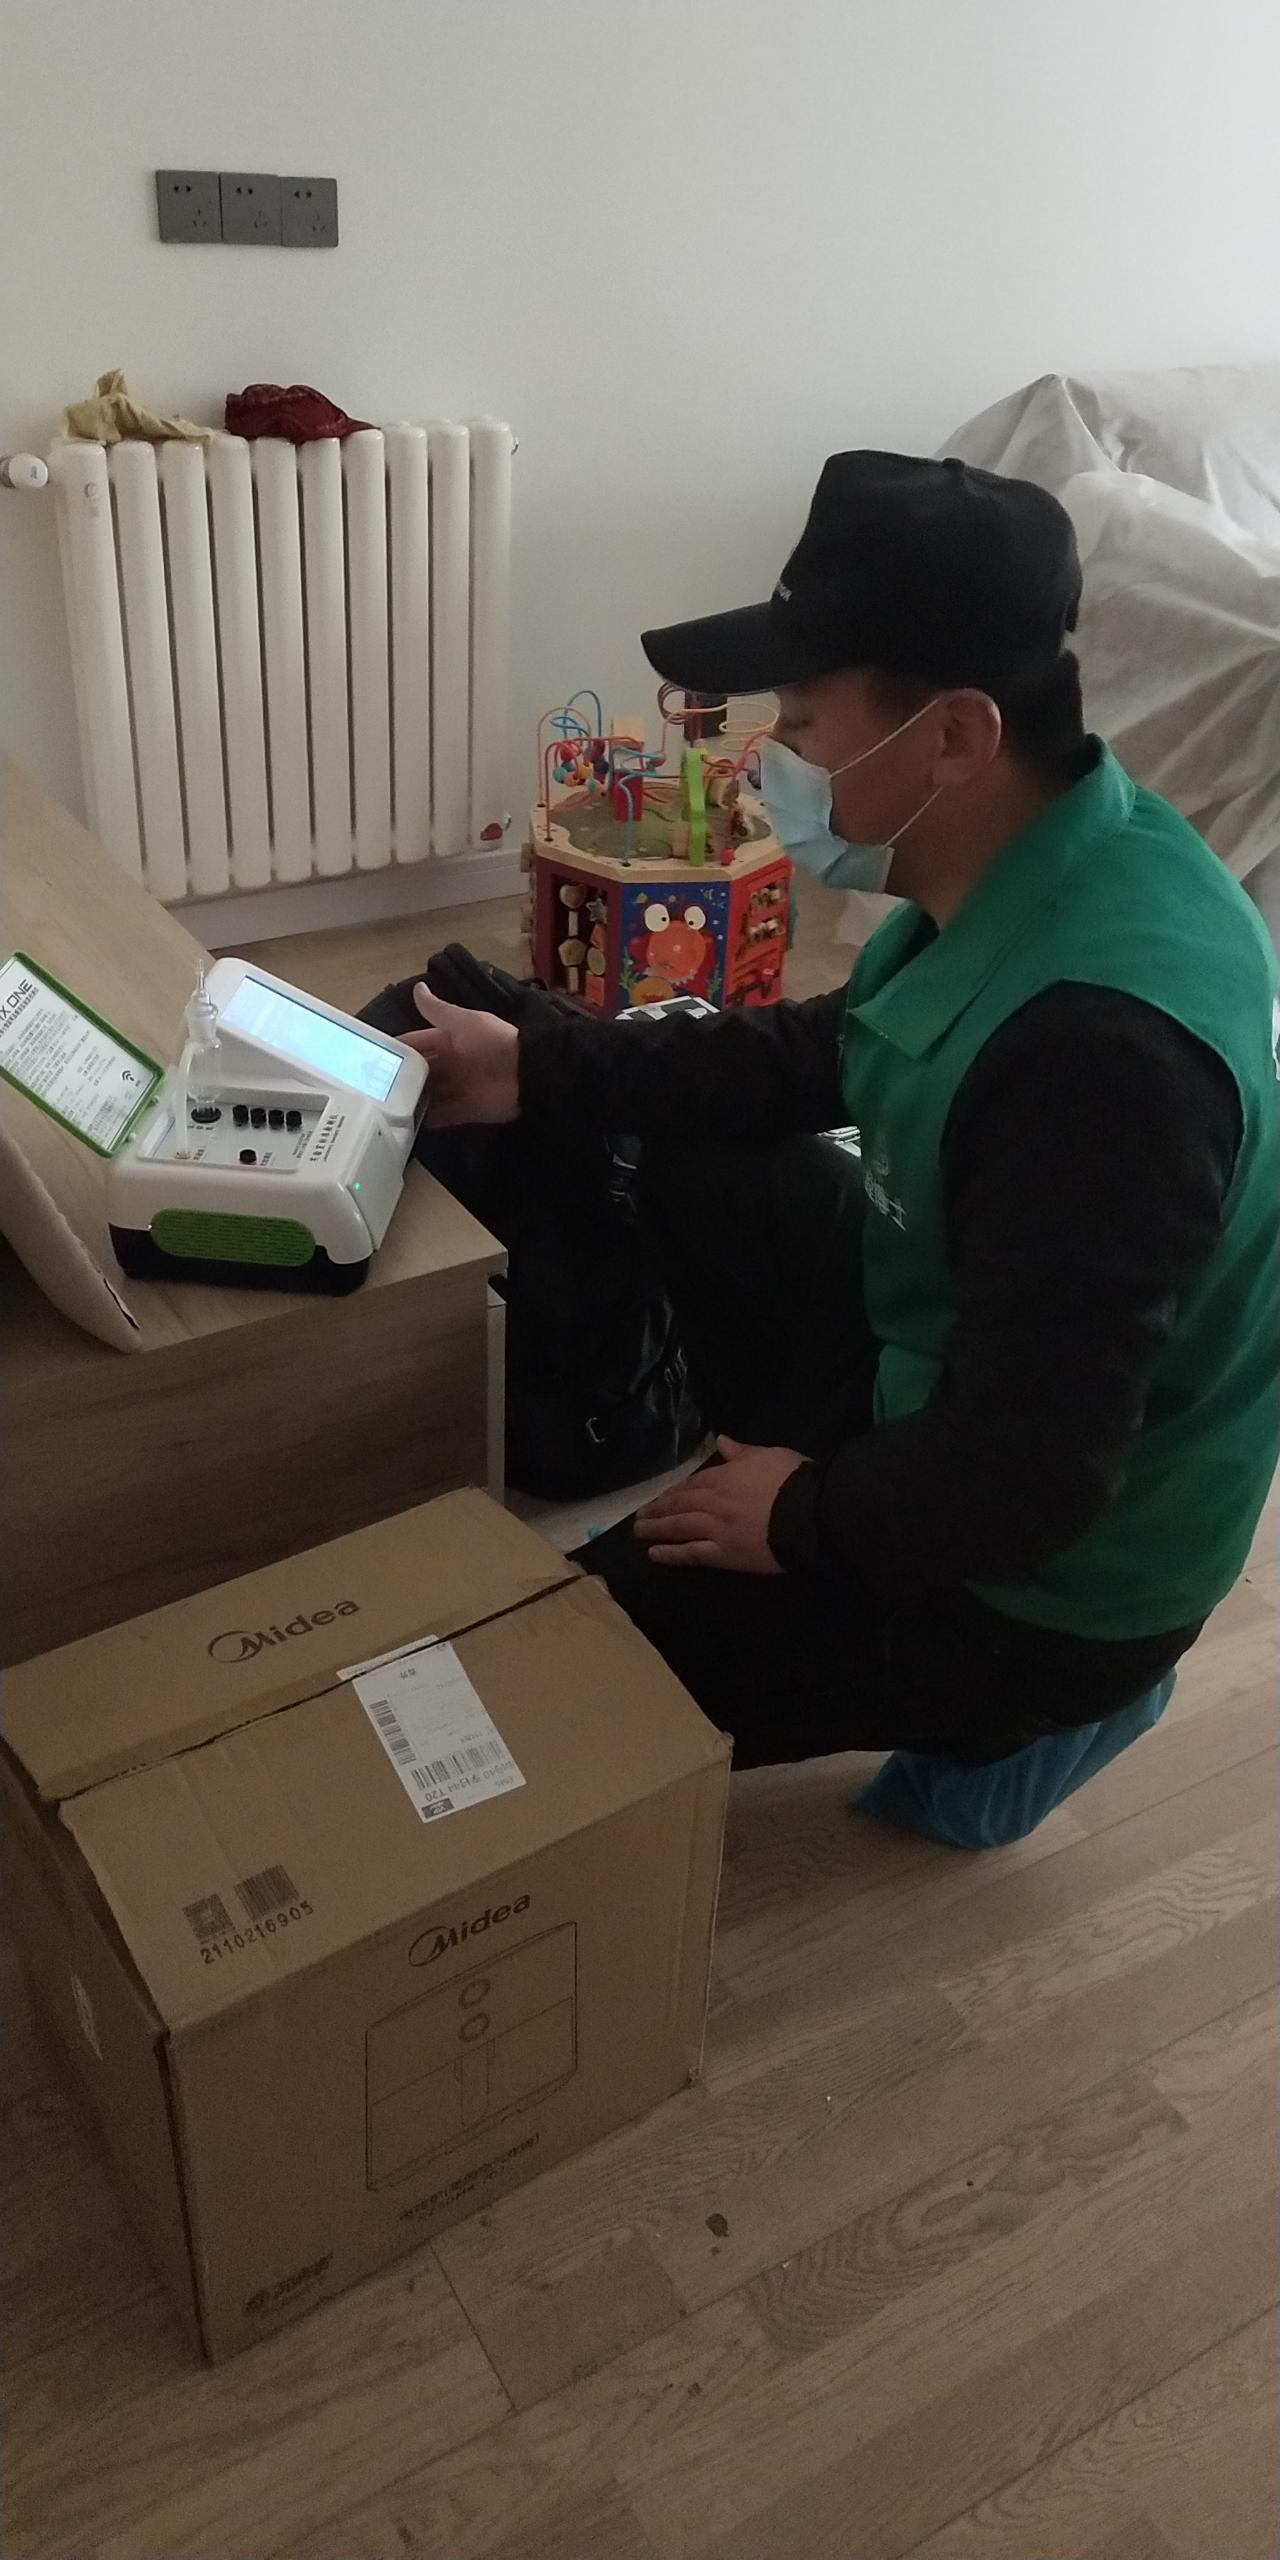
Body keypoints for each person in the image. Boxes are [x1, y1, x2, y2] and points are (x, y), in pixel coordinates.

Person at [395, 451, 1280, 1775]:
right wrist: (541, 1067)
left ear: (956, 736)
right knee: (660, 1123)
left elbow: (1037, 1474)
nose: (774, 765)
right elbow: (829, 1048)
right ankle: (784, 1461)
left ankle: (1039, 1716)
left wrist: (803, 1515)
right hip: (964, 1357)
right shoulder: (1064, 845)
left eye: (802, 726)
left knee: (539, 1693)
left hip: (1040, 1579)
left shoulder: (1102, 1067)